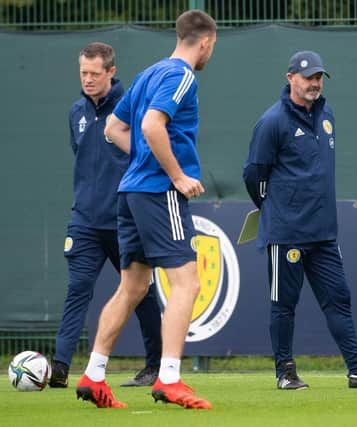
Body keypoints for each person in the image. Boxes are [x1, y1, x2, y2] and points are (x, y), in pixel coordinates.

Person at [75, 10, 217, 409]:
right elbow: (153, 125)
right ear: (206, 42)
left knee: (133, 286)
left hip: (130, 193)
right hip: (158, 193)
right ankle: (169, 379)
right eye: (211, 47)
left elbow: (113, 129)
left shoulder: (148, 73)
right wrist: (175, 174)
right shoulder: (182, 76)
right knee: (187, 283)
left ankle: (94, 375)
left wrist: (145, 160)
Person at [243, 50, 357, 390]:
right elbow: (254, 174)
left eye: (318, 77)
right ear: (290, 79)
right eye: (308, 77)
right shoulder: (272, 121)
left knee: (339, 297)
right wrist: (275, 208)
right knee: (284, 304)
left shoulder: (326, 114)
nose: (314, 83)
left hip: (324, 232)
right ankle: (285, 372)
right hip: (286, 232)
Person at [50, 42, 162, 389]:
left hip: (124, 219)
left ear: (111, 72)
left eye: (94, 74)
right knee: (78, 288)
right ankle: (59, 367)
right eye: (83, 73)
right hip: (84, 222)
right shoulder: (76, 113)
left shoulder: (132, 109)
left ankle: (155, 367)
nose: (88, 79)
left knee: (140, 291)